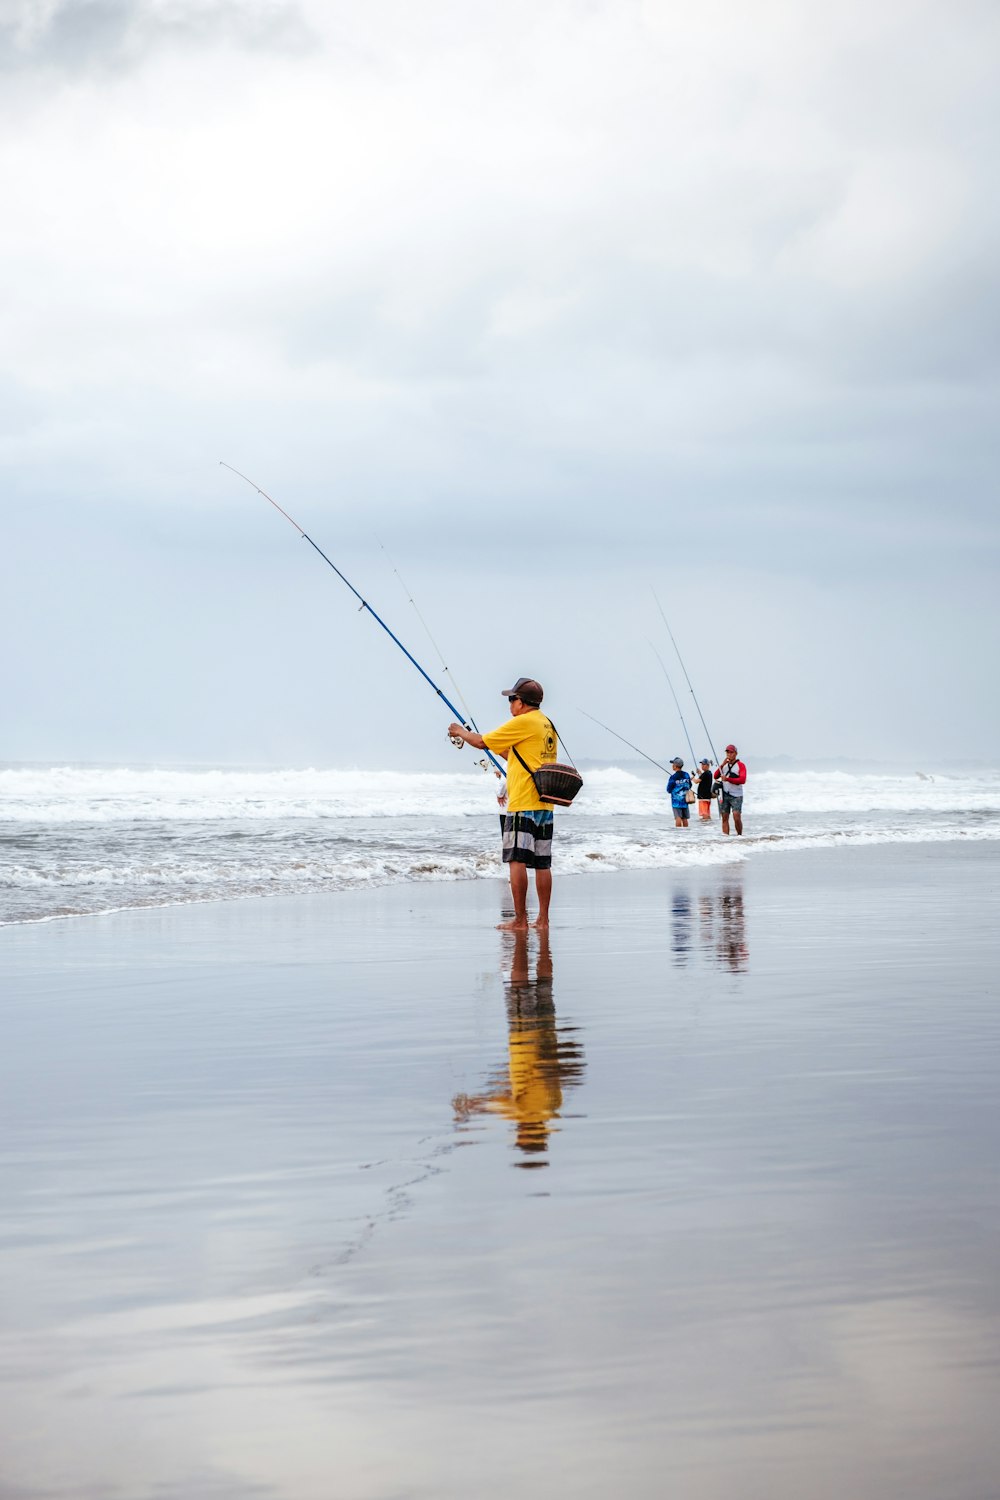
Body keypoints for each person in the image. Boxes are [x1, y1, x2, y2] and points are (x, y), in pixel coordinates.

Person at [448, 677, 558, 929]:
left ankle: (520, 920)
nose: (510, 705)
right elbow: (520, 757)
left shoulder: (523, 721)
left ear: (521, 702)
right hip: (544, 803)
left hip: (522, 802)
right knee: (542, 863)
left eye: (512, 699)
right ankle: (543, 920)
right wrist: (499, 748)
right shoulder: (546, 724)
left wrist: (460, 732)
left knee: (516, 860)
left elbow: (480, 742)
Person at [714, 743, 747, 836]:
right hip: (724, 794)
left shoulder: (741, 765)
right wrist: (722, 764)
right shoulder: (724, 765)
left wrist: (728, 779)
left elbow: (742, 780)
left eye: (731, 752)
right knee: (724, 817)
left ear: (735, 753)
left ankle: (739, 835)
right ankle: (726, 838)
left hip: (736, 795)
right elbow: (715, 775)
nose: (729, 754)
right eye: (727, 752)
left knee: (736, 816)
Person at [666, 757, 692, 828]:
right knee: (685, 818)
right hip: (685, 800)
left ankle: (678, 835)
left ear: (675, 766)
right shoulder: (686, 775)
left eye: (673, 764)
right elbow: (690, 785)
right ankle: (686, 833)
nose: (672, 765)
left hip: (676, 802)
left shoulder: (673, 777)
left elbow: (668, 789)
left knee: (678, 818)